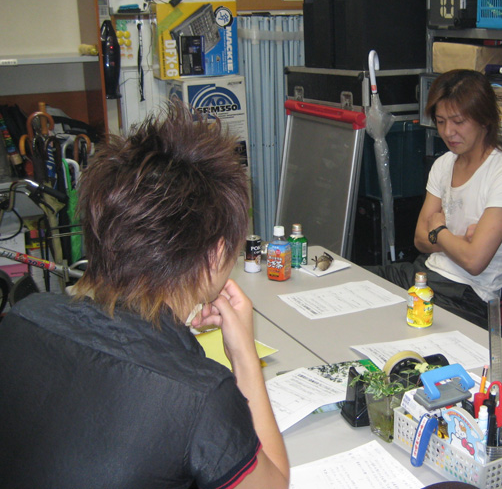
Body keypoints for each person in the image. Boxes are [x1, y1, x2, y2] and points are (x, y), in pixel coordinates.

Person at [0, 102, 290, 488]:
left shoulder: (23, 316)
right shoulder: (200, 395)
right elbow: (274, 483)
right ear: (215, 255)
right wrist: (245, 357)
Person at [368, 69, 502, 328]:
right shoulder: (444, 164)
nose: (448, 132)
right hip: (424, 273)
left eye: (458, 121)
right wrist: (459, 242)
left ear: (484, 120)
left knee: (394, 327)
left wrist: (439, 231)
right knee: (353, 281)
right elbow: (420, 239)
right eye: (441, 121)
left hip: (468, 295)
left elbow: (474, 262)